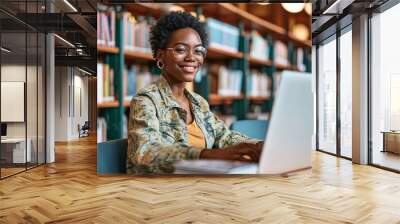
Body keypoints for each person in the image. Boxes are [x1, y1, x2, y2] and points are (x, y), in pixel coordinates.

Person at [127, 11, 263, 174]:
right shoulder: (146, 100)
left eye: (198, 51)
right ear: (160, 55)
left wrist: (259, 146)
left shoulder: (199, 102)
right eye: (181, 50)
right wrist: (207, 155)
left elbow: (224, 136)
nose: (192, 57)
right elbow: (146, 153)